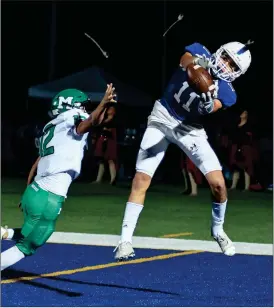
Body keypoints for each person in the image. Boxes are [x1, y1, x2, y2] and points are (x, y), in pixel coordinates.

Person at [114, 41, 252, 260]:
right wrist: (198, 65)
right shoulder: (200, 51)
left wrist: (209, 106)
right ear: (219, 51)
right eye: (225, 58)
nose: (225, 65)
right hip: (162, 116)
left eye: (232, 65)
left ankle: (217, 230)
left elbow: (215, 106)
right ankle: (124, 241)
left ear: (237, 73)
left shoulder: (228, 93)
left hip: (190, 129)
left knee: (218, 183)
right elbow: (185, 61)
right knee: (141, 179)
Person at [1, 85, 116, 271]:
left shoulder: (53, 127)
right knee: (30, 244)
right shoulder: (72, 118)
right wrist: (103, 102)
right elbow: (86, 124)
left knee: (30, 232)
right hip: (50, 195)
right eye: (83, 106)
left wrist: (27, 189)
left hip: (35, 191)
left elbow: (37, 161)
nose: (85, 109)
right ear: (73, 105)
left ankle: (4, 233)